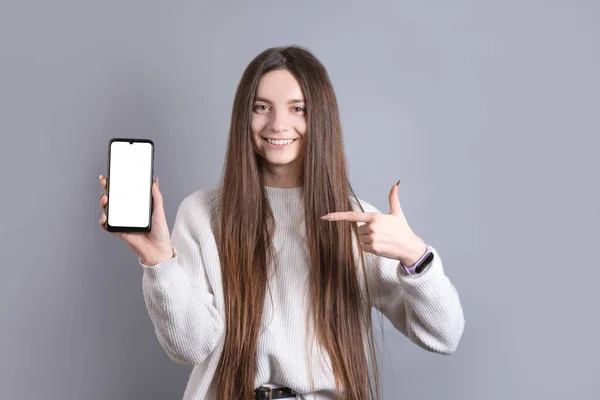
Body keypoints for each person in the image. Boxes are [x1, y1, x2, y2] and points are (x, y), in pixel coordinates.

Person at [98, 45, 465, 400]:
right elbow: (189, 347)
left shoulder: (360, 223)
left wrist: (415, 256)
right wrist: (160, 261)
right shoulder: (202, 214)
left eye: (297, 109)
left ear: (320, 118)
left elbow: (444, 336)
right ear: (245, 115)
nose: (278, 124)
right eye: (262, 107)